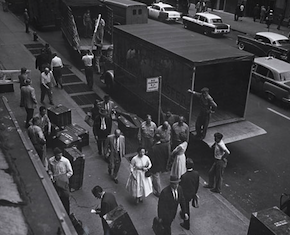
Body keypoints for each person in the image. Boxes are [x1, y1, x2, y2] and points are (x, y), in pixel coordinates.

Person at [48, 147, 73, 214]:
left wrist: (63, 178)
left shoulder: (65, 161)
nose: (59, 156)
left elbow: (70, 172)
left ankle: (67, 213)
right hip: (55, 182)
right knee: (57, 198)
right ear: (55, 155)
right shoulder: (51, 161)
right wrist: (51, 176)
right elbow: (50, 170)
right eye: (58, 155)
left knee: (65, 198)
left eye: (60, 155)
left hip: (64, 183)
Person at [179, 158, 199, 230]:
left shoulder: (184, 176)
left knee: (186, 209)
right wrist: (195, 193)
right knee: (186, 207)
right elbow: (197, 184)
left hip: (185, 195)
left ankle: (186, 224)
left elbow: (181, 187)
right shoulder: (196, 173)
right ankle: (182, 214)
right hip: (192, 193)